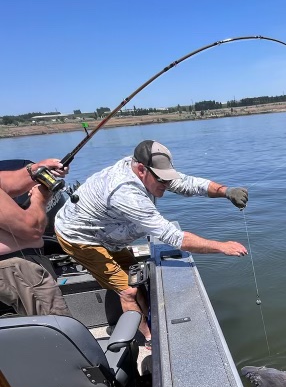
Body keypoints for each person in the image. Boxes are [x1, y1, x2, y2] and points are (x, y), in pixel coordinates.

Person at [54, 140, 249, 345]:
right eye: (162, 180)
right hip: (80, 237)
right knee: (128, 291)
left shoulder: (151, 171)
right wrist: (222, 247)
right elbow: (174, 237)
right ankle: (150, 339)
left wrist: (226, 191)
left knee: (135, 277)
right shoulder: (126, 193)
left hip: (108, 230)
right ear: (141, 169)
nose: (166, 184)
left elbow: (188, 184)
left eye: (168, 178)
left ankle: (148, 319)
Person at [0, 159, 71, 316]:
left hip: (12, 271)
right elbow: (31, 229)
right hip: (16, 269)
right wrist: (40, 199)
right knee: (55, 325)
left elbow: (6, 182)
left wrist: (34, 170)